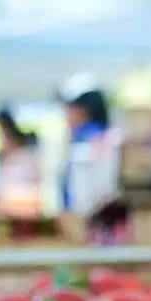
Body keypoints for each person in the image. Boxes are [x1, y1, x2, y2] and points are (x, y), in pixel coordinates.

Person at [56, 74, 111, 213]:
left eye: (68, 108)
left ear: (83, 109)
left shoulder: (90, 142)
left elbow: (83, 200)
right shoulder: (80, 140)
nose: (65, 115)